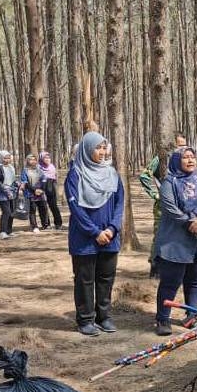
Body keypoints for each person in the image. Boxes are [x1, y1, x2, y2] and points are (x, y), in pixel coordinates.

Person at [65, 131, 125, 336]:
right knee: (84, 280)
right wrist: (94, 232)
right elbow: (76, 210)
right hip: (84, 239)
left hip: (110, 238)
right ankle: (85, 319)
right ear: (86, 149)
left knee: (106, 278)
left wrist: (112, 228)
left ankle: (104, 316)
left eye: (103, 147)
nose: (101, 152)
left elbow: (119, 203)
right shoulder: (76, 174)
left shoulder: (112, 173)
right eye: (96, 148)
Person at [153, 146, 197, 336]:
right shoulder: (169, 183)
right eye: (185, 157)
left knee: (195, 281)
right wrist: (191, 223)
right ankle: (163, 319)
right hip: (175, 242)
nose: (190, 160)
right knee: (170, 282)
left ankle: (192, 316)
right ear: (176, 161)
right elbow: (170, 208)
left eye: (192, 157)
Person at [141, 133, 188, 278]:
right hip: (162, 206)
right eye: (180, 145)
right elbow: (144, 176)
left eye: (184, 145)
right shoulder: (161, 160)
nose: (183, 148)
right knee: (160, 234)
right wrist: (155, 195)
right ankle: (155, 266)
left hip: (180, 206)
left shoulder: (185, 162)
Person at [0, 150, 18, 239]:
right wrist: (5, 190)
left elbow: (13, 179)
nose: (7, 160)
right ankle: (2, 232)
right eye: (5, 158)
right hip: (2, 193)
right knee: (6, 212)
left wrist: (17, 184)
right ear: (0, 158)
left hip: (12, 191)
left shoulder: (11, 167)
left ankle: (9, 231)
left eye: (9, 158)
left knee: (12, 212)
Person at [19, 154, 49, 233]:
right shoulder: (25, 171)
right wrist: (34, 190)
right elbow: (25, 183)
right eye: (31, 159)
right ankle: (34, 226)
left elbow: (44, 180)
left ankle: (45, 224)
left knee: (43, 209)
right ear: (27, 161)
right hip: (30, 194)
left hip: (40, 193)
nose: (33, 161)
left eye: (34, 159)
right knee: (32, 210)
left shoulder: (39, 170)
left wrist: (42, 189)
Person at [38, 151, 63, 230]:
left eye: (48, 158)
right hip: (41, 186)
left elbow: (55, 178)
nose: (47, 159)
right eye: (45, 158)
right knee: (43, 206)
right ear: (41, 159)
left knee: (53, 206)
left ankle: (58, 223)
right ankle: (46, 224)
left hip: (51, 186)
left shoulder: (52, 167)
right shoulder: (38, 167)